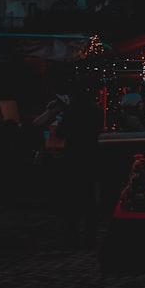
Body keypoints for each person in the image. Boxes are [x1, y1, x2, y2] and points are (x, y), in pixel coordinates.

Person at [33, 78, 103, 245]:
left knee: (72, 197)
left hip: (73, 156)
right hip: (90, 155)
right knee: (89, 198)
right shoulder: (96, 109)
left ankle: (71, 233)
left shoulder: (72, 110)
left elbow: (62, 132)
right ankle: (90, 235)